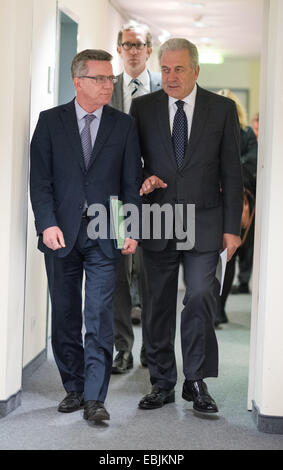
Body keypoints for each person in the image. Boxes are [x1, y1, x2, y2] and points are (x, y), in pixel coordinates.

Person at [130, 38, 243, 414]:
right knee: (157, 304)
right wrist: (144, 178)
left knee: (198, 295)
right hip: (157, 219)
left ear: (196, 70)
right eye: (164, 69)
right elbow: (132, 163)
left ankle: (196, 380)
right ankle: (162, 382)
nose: (171, 77)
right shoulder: (142, 107)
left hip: (205, 222)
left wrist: (232, 228)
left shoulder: (222, 108)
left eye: (179, 69)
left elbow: (232, 170)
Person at [29, 49, 142, 423]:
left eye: (110, 79)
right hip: (60, 234)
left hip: (105, 236)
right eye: (100, 78)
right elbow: (40, 181)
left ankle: (96, 397)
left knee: (98, 315)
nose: (109, 85)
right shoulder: (49, 122)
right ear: (78, 81)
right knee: (64, 314)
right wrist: (47, 224)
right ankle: (74, 388)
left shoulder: (123, 125)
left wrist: (129, 229)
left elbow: (129, 183)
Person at [110, 21, 161, 374]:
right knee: (116, 276)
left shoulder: (166, 87)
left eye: (138, 45)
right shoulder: (106, 87)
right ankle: (123, 349)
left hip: (157, 199)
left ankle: (152, 350)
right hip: (112, 200)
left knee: (153, 276)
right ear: (119, 49)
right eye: (126, 45)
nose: (132, 50)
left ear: (148, 49)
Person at [215, 90, 258, 325]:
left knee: (229, 253)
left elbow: (251, 163)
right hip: (212, 201)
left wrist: (229, 169)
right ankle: (211, 305)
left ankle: (219, 307)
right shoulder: (209, 132)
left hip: (239, 203)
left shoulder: (246, 134)